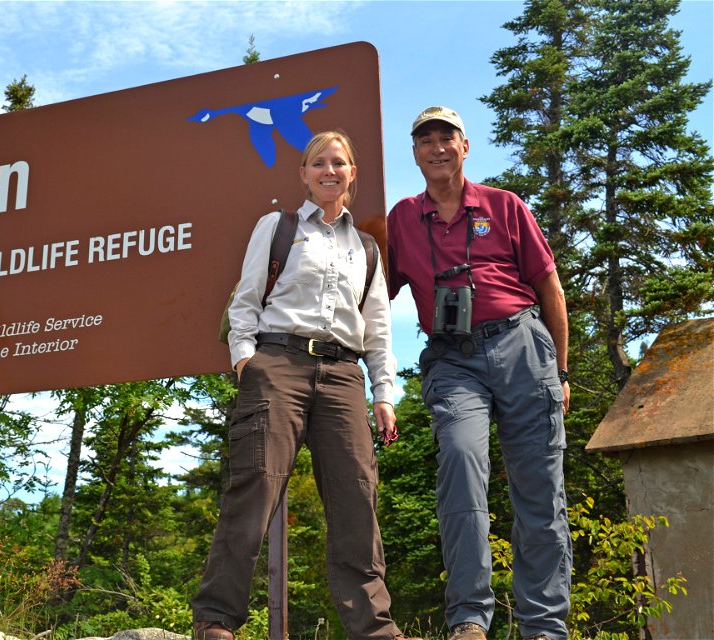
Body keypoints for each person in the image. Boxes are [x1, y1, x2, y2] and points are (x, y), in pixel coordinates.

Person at [191, 130, 421, 640]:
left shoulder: (366, 247)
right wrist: (246, 362)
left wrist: (384, 393)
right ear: (304, 173)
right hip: (279, 365)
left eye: (340, 162)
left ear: (352, 173)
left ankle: (374, 630)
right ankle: (216, 621)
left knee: (357, 496)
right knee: (255, 487)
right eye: (319, 162)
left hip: (344, 377)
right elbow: (245, 301)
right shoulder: (278, 226)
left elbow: (378, 328)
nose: (329, 171)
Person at [386, 106, 572, 640]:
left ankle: (543, 626)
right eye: (425, 139)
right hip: (452, 360)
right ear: (415, 153)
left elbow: (550, 291)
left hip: (522, 347)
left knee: (539, 487)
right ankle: (469, 617)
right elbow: (374, 291)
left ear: (465, 146)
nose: (437, 147)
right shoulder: (402, 218)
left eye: (447, 137)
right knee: (463, 466)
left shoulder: (504, 206)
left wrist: (559, 371)